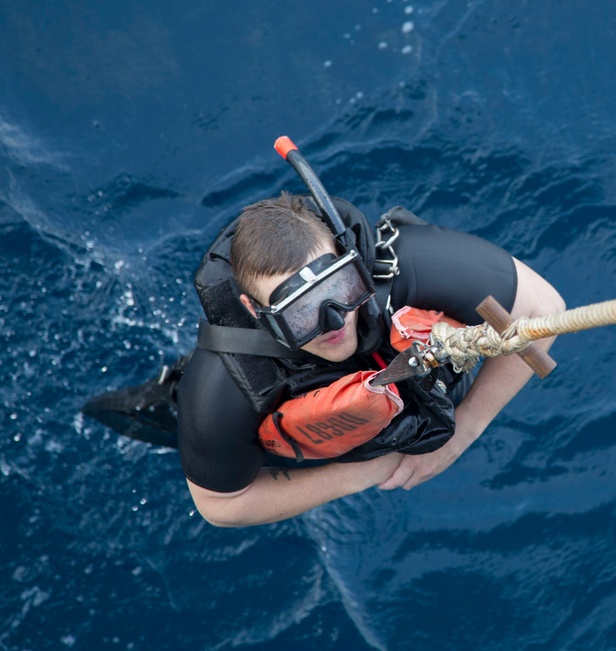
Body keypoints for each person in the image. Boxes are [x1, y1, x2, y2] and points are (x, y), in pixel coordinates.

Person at [176, 192, 564, 527]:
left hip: (430, 401)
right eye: (300, 312)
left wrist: (466, 430)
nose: (334, 322)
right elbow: (218, 504)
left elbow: (542, 308)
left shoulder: (405, 267)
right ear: (256, 310)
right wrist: (358, 475)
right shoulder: (227, 380)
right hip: (297, 444)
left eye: (339, 287)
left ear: (347, 258)